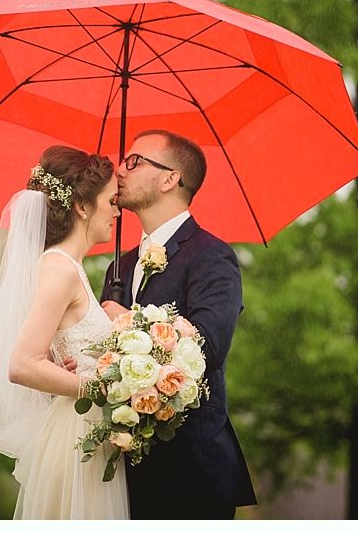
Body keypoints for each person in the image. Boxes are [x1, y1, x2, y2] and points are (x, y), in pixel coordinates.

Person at [100, 129, 256, 519]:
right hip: (122, 476)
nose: (120, 169)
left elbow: (207, 349)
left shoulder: (212, 257)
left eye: (134, 161)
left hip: (192, 475)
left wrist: (127, 323)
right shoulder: (118, 266)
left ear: (170, 179)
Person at [0, 145, 128, 519]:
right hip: (75, 439)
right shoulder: (60, 269)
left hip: (87, 432)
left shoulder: (70, 267)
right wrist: (97, 387)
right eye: (111, 201)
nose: (118, 211)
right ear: (82, 207)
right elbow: (22, 364)